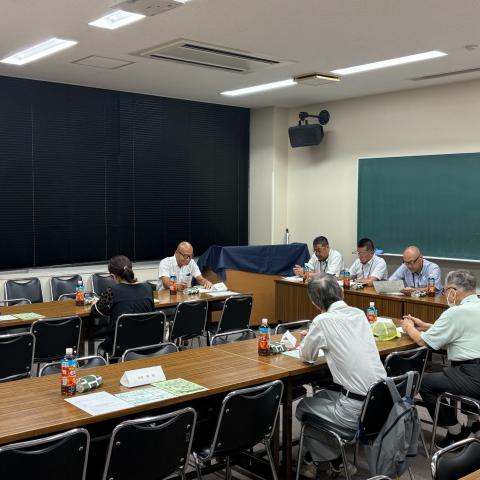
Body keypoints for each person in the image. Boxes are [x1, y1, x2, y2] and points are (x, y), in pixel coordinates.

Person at [296, 273, 386, 478]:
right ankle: (327, 460)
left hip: (355, 410)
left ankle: (331, 460)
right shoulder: (359, 314)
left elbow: (307, 356)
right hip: (380, 402)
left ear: (314, 303)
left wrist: (309, 338)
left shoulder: (322, 321)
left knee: (304, 406)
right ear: (342, 293)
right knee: (321, 397)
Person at [401, 269, 480, 447]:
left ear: (453, 291)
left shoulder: (455, 312)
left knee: (424, 383)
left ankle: (456, 433)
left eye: (445, 291)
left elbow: (423, 342)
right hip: (472, 372)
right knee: (453, 374)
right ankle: (474, 424)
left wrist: (408, 327)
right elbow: (460, 329)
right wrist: (425, 325)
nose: (445, 295)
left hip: (472, 375)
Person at [90, 255, 154, 355]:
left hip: (119, 347)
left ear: (113, 276)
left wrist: (94, 303)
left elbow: (95, 312)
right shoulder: (148, 288)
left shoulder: (112, 291)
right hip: (147, 344)